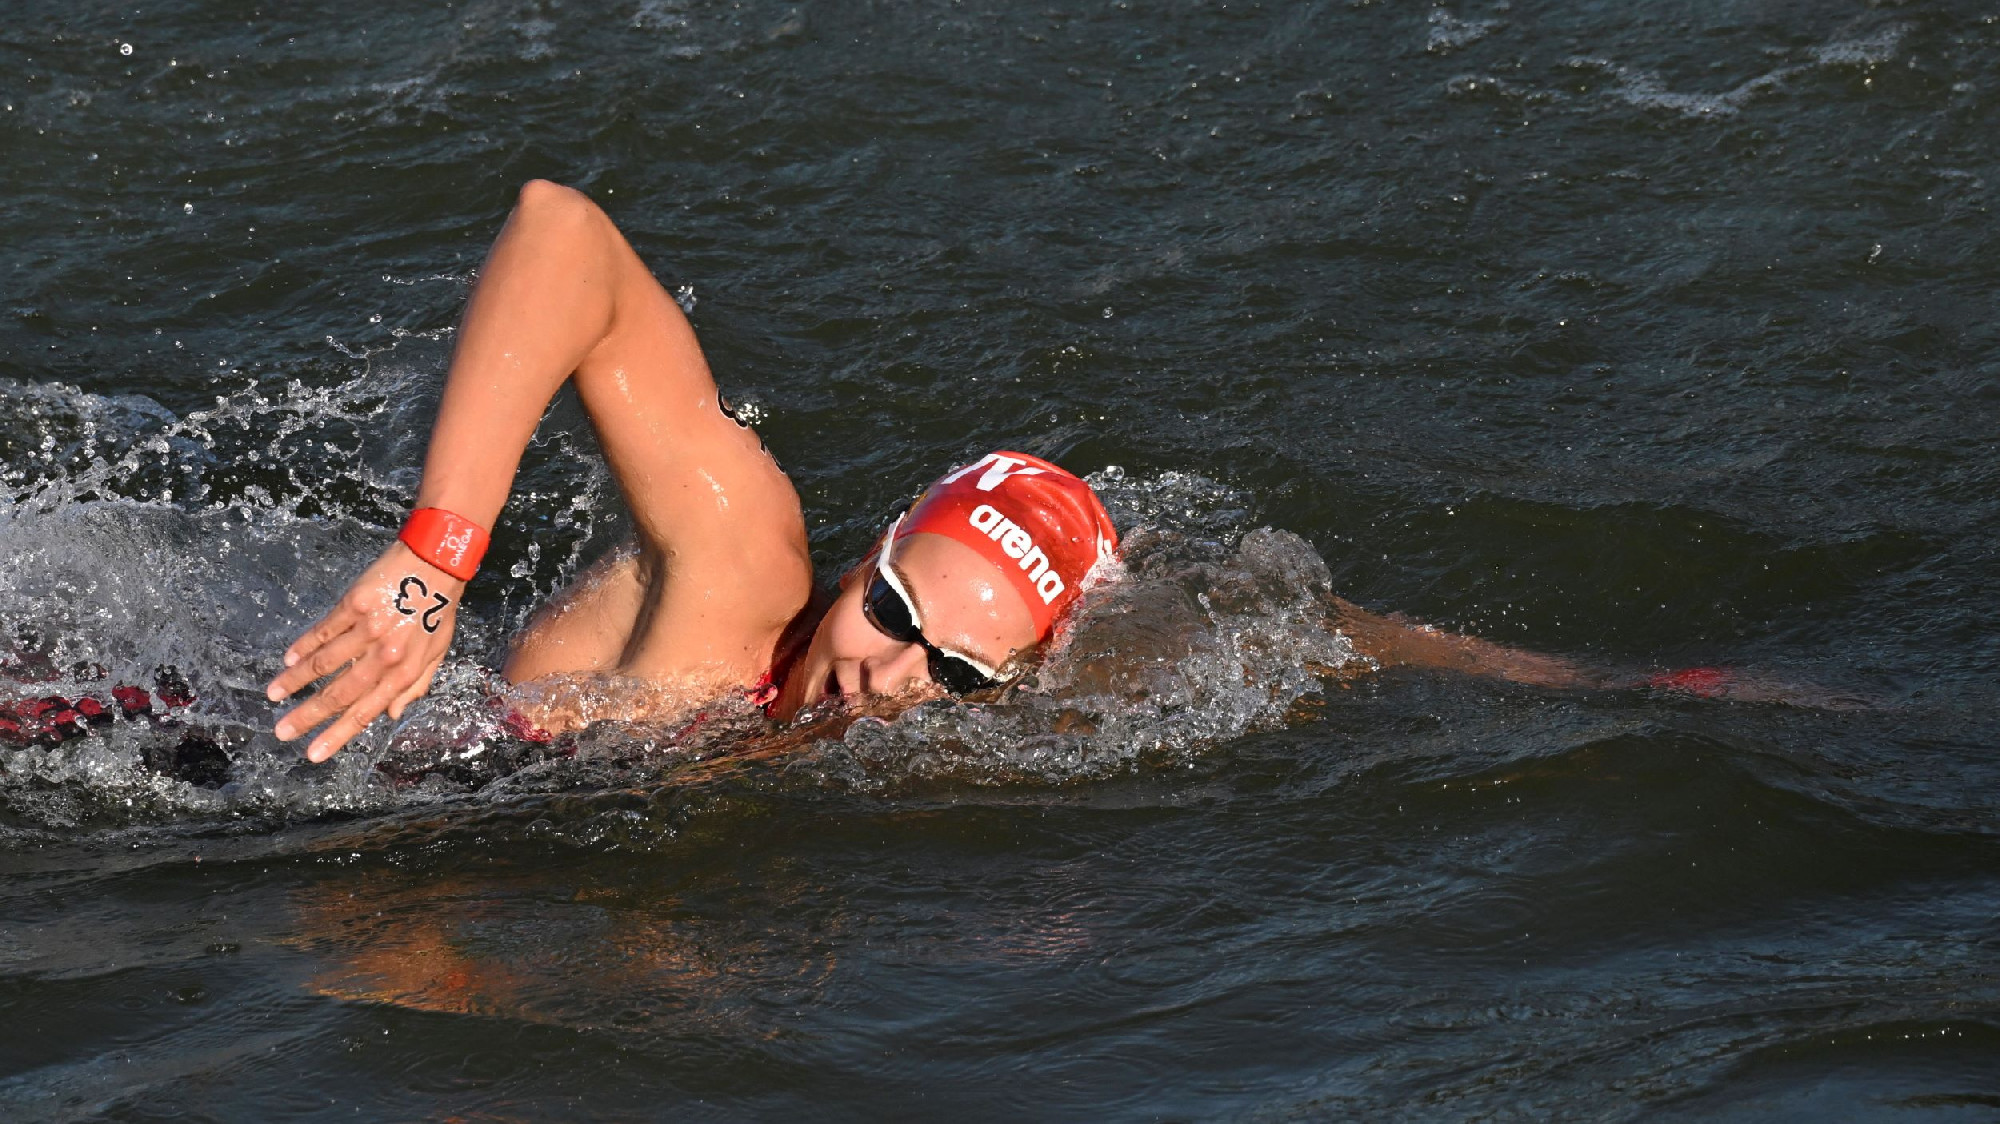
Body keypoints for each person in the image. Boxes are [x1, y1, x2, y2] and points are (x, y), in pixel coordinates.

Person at [264, 181, 1790, 765]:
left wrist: (1605, 683)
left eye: (958, 673)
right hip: (227, 736)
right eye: (892, 609)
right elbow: (561, 235)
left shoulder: (975, 699)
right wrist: (430, 564)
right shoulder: (742, 569)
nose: (893, 672)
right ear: (868, 552)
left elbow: (1317, 638)